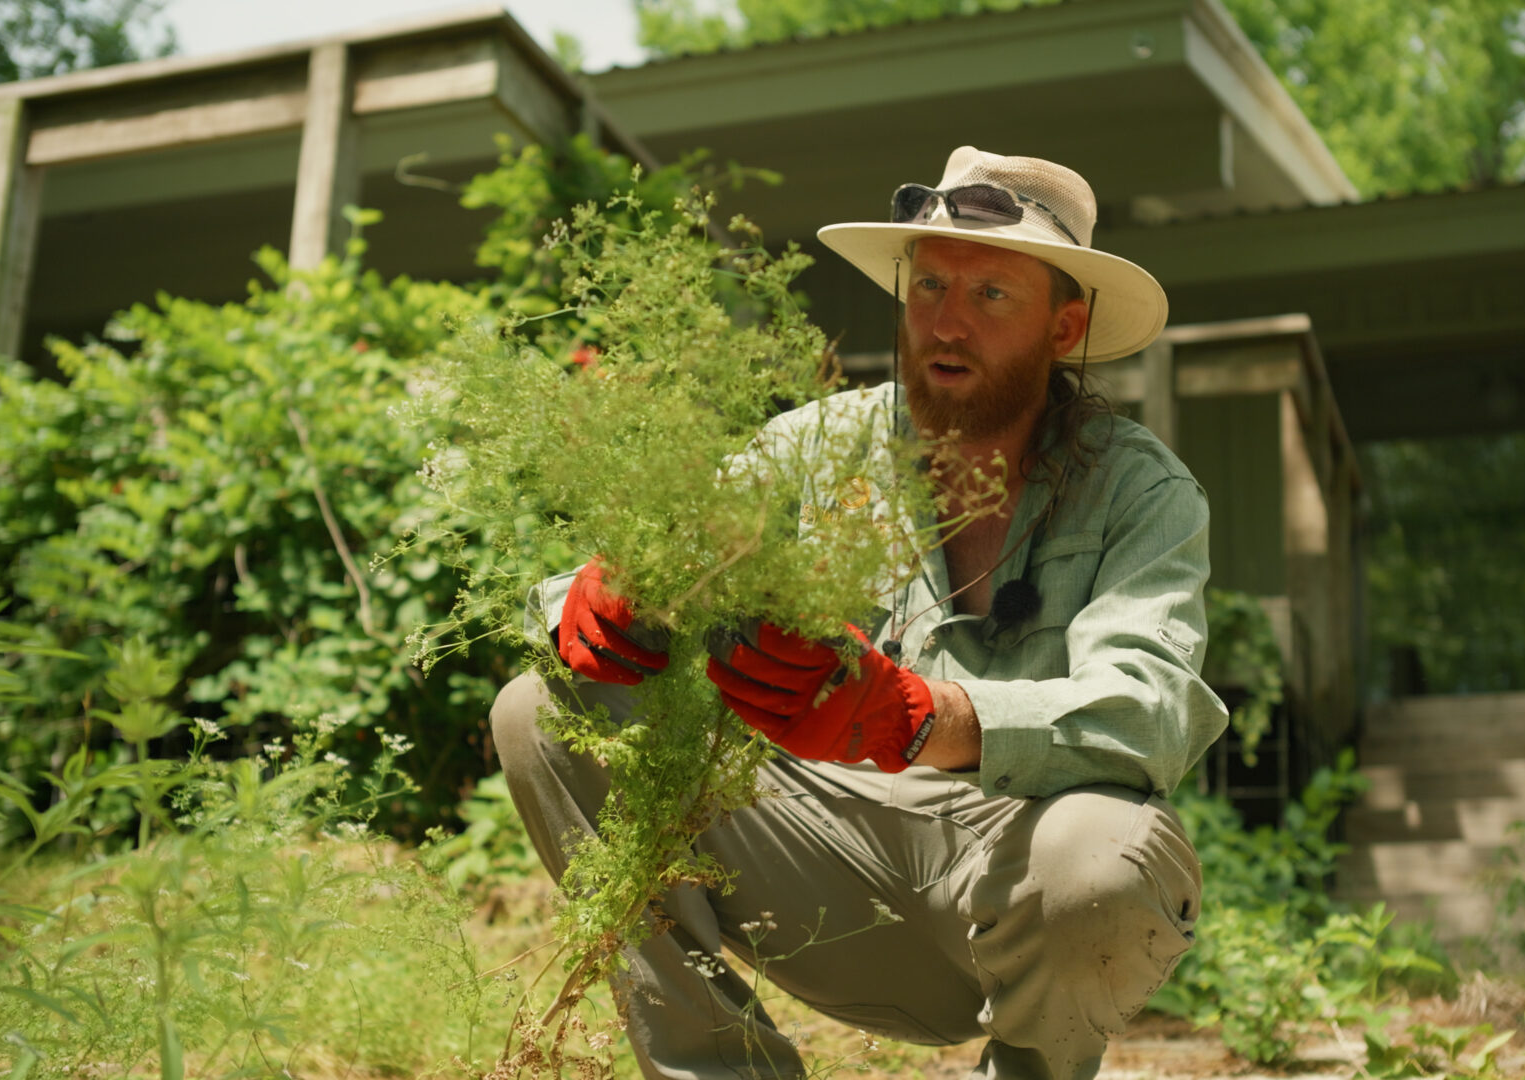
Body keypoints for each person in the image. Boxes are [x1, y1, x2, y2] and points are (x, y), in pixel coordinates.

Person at [490, 146, 1229, 1080]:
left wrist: (930, 716)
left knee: (1106, 860)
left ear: (1063, 323)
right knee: (540, 710)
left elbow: (1150, 711)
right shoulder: (818, 446)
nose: (944, 325)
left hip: (1009, 879)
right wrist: (606, 591)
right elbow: (678, 553)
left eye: (991, 295)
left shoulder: (1142, 492)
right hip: (820, 864)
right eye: (927, 287)